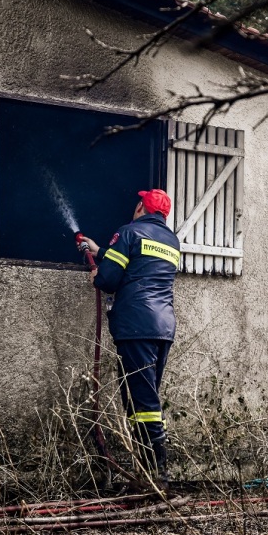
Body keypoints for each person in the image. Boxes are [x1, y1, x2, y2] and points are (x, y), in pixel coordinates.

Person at [80, 189, 180, 488]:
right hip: (163, 326)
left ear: (140, 207)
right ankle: (147, 473)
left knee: (143, 401)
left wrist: (97, 275)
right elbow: (140, 265)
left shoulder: (129, 232)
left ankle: (158, 476)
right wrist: (100, 251)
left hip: (136, 323)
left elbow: (109, 279)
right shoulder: (171, 241)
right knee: (141, 398)